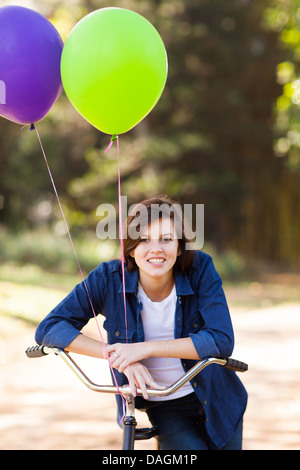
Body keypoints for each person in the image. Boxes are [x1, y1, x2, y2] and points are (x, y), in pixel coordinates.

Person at [35, 195, 247, 450]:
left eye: (166, 239)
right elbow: (50, 327)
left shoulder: (200, 269)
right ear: (131, 248)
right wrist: (120, 357)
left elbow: (220, 341)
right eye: (144, 239)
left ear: (179, 246)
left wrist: (145, 348)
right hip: (165, 404)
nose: (156, 248)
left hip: (218, 398)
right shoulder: (109, 278)